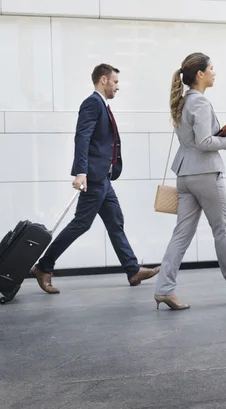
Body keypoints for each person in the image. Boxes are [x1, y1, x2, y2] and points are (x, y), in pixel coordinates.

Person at [30, 63, 160, 293]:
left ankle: (132, 269)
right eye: (116, 82)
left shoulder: (102, 105)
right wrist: (81, 172)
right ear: (103, 80)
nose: (118, 87)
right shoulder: (92, 103)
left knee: (115, 222)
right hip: (94, 177)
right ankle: (44, 266)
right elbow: (82, 137)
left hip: (104, 178)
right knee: (81, 223)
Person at [153, 53, 226, 310]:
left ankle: (164, 289)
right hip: (206, 174)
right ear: (200, 74)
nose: (215, 72)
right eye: (212, 68)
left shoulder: (182, 102)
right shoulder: (200, 104)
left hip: (184, 175)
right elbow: (204, 142)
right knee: (222, 230)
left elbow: (193, 140)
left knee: (181, 235)